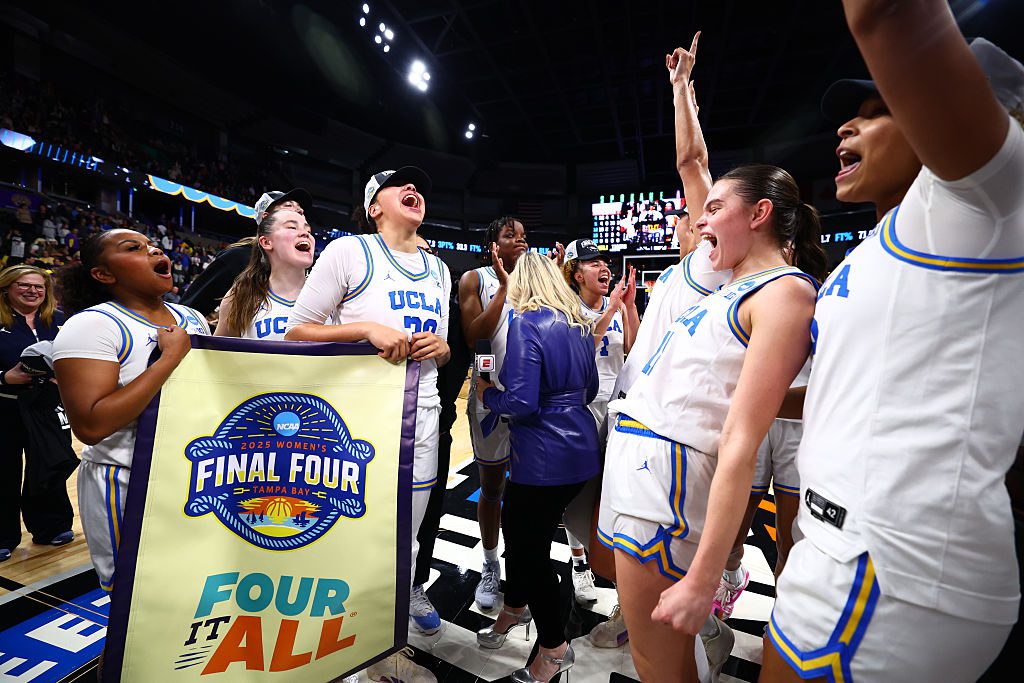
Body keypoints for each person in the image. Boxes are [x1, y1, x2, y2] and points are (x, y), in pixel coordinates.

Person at [749, 4, 1024, 681]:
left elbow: (882, 14)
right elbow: (852, 391)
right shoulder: (882, 246)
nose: (846, 125)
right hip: (852, 546)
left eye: (879, 110)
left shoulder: (976, 200)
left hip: (890, 562)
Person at [599, 163, 827, 682]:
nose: (701, 222)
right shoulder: (730, 283)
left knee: (658, 665)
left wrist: (704, 580)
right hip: (643, 468)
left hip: (667, 480)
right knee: (660, 657)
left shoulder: (785, 291)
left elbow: (741, 440)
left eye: (715, 208)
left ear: (759, 214)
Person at [285, 167, 449, 683]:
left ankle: (384, 642)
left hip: (420, 414)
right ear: (374, 206)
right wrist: (364, 329)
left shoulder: (439, 269)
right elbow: (295, 331)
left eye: (419, 184)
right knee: (356, 536)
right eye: (400, 184)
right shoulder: (349, 251)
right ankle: (348, 649)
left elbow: (439, 348)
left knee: (409, 536)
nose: (414, 189)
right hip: (355, 420)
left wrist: (444, 350)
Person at [52, 230, 209, 591]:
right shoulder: (92, 325)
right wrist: (168, 359)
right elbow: (91, 425)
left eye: (151, 244)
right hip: (125, 479)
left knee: (185, 590)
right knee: (133, 600)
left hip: (188, 475)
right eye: (133, 248)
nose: (152, 249)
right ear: (104, 274)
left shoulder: (192, 317)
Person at [474, 252, 599, 683]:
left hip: (544, 454)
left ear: (523, 283)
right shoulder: (580, 323)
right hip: (581, 446)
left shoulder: (527, 322)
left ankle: (553, 647)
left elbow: (522, 403)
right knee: (523, 533)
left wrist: (487, 393)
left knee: (529, 551)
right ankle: (514, 608)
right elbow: (592, 387)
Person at [559, 238, 638, 605]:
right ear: (576, 274)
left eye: (605, 261)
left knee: (619, 490)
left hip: (618, 408)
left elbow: (636, 352)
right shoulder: (565, 307)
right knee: (580, 494)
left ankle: (623, 570)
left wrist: (630, 308)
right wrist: (612, 313)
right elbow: (579, 352)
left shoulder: (618, 306)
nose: (604, 267)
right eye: (593, 263)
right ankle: (579, 566)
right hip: (581, 409)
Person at [458, 216, 528, 611]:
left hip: (530, 400)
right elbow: (475, 337)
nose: (519, 241)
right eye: (509, 235)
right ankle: (489, 563)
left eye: (522, 236)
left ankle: (521, 561)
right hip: (490, 397)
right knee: (492, 487)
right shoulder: (476, 279)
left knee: (528, 489)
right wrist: (504, 288)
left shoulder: (536, 280)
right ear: (493, 244)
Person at [0, 265, 73, 562]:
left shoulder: (58, 320)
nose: (33, 291)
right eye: (24, 285)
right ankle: (3, 536)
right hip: (4, 404)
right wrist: (5, 377)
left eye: (39, 287)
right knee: (3, 471)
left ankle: (51, 525)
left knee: (49, 463)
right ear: (6, 288)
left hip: (47, 404)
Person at [180, 188, 312, 316]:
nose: (300, 210)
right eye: (288, 205)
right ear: (267, 218)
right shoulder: (238, 258)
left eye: (300, 208)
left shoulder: (307, 262)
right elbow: (190, 309)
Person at [214, 210, 314, 339]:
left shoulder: (333, 293)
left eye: (309, 231)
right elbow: (219, 352)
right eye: (292, 227)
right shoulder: (241, 294)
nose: (305, 233)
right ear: (266, 242)